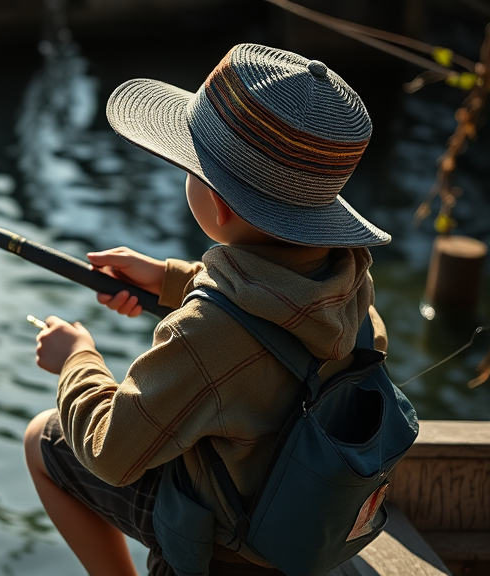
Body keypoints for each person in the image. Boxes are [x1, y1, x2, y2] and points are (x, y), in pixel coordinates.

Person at [24, 43, 391, 576]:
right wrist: (172, 279)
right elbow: (275, 317)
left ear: (217, 205)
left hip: (219, 549)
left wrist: (77, 360)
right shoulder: (350, 281)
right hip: (298, 516)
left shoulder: (205, 336)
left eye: (190, 167)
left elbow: (112, 454)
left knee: (45, 439)